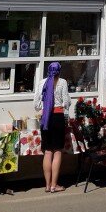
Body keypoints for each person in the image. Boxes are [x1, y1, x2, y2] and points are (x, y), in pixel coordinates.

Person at [34, 62, 68, 191]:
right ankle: (54, 185)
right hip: (58, 117)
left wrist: (45, 107)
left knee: (47, 151)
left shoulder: (42, 82)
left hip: (45, 118)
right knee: (57, 151)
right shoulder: (62, 82)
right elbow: (66, 102)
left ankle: (47, 185)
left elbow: (36, 104)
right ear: (59, 71)